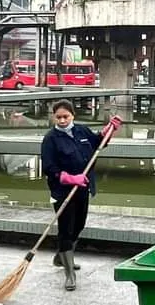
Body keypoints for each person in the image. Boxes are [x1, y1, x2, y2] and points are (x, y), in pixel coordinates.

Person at [40, 100, 121, 291]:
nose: (61, 120)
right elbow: (49, 167)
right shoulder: (50, 139)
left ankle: (61, 257)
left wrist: (108, 131)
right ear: (54, 117)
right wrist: (67, 178)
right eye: (58, 117)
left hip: (83, 188)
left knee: (79, 225)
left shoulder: (82, 131)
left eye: (65, 117)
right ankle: (70, 273)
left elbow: (97, 143)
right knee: (66, 230)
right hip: (63, 192)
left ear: (73, 116)